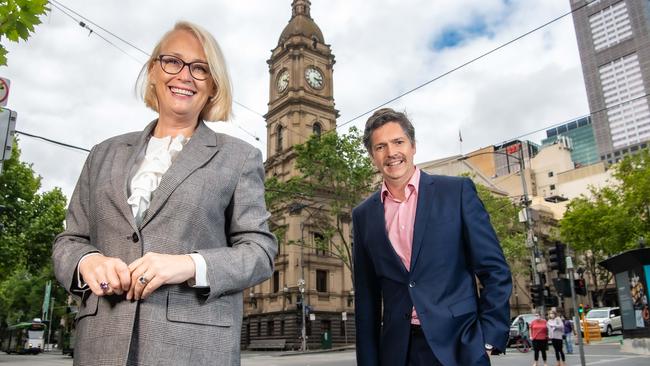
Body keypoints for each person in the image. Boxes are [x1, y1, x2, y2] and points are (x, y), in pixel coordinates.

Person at [52, 21, 277, 365]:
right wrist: (88, 262)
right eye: (173, 61)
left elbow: (260, 252)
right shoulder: (103, 153)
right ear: (153, 70)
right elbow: (69, 241)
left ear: (213, 86)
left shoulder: (239, 157)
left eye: (200, 68)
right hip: (100, 348)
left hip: (194, 350)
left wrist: (188, 265)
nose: (185, 75)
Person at [352, 108, 512, 366]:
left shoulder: (456, 193)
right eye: (380, 146)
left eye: (398, 142)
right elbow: (366, 299)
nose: (391, 152)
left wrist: (488, 338)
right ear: (373, 156)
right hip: (397, 353)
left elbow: (495, 271)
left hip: (460, 346)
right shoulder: (363, 215)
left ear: (413, 146)